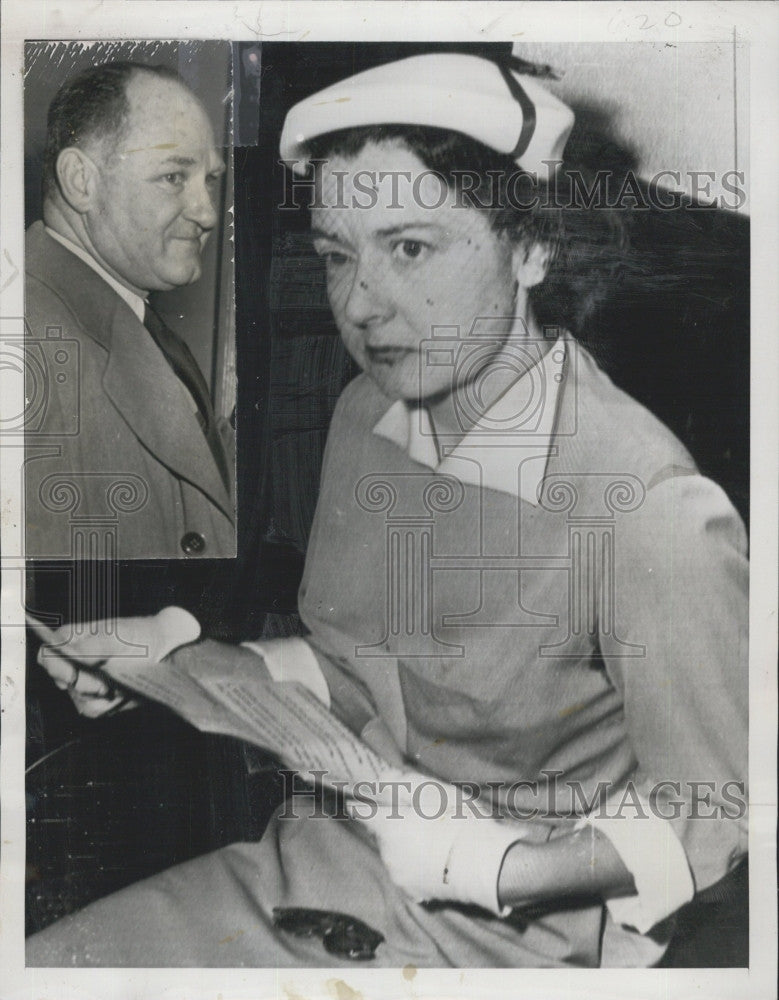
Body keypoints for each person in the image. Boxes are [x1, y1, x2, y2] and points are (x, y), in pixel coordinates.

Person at [26, 52, 747, 968]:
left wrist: (491, 867)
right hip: (327, 860)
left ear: (530, 248)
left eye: (409, 246)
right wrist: (172, 661)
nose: (360, 304)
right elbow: (357, 672)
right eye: (338, 254)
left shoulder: (651, 509)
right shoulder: (366, 414)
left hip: (523, 937)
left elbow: (719, 812)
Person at [25, 61, 235, 559]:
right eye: (173, 177)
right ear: (81, 181)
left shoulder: (134, 318)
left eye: (209, 179)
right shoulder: (25, 337)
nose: (207, 211)